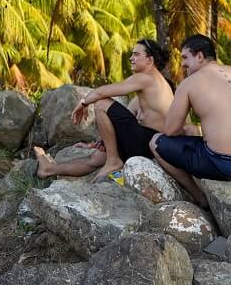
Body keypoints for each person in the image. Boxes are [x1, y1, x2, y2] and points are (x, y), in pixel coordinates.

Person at [33, 39, 175, 181]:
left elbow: (102, 93)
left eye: (136, 54)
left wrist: (83, 104)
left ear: (150, 60)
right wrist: (100, 142)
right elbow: (125, 119)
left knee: (101, 103)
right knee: (95, 159)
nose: (131, 58)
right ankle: (49, 169)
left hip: (149, 141)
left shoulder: (146, 78)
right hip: (145, 143)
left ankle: (113, 161)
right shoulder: (154, 81)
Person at [149, 34, 231, 208]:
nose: (183, 64)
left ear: (200, 56)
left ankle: (200, 198)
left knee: (156, 142)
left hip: (220, 163)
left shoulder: (190, 82)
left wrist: (186, 129)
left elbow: (170, 130)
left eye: (186, 57)